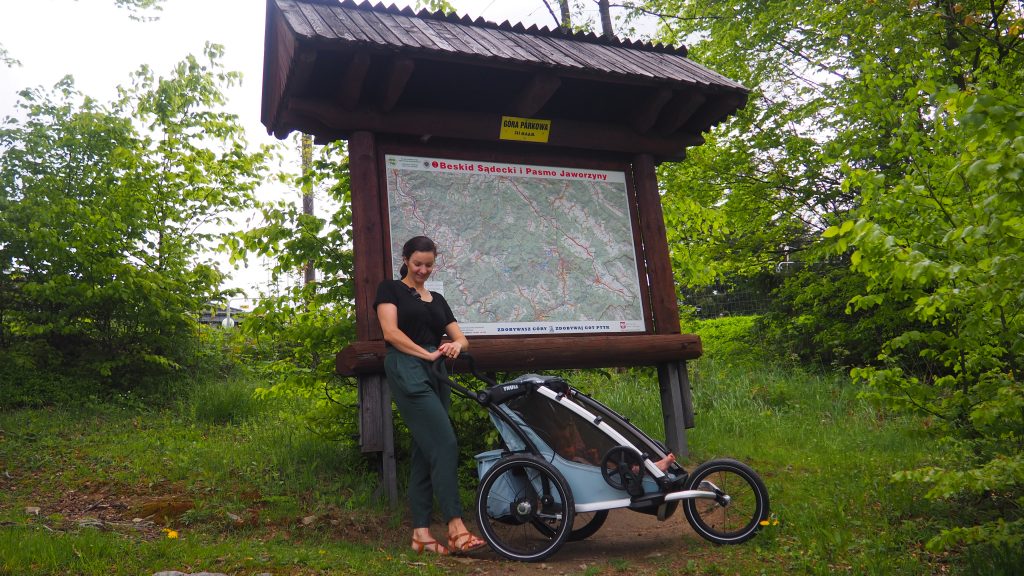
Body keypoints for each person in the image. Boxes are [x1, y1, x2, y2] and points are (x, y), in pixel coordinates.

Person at [373, 236, 485, 556]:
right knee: (446, 442)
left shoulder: (437, 299)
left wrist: (453, 346)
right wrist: (427, 353)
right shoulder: (390, 289)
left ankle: (421, 534)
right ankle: (455, 526)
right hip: (407, 367)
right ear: (406, 259)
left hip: (436, 372)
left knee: (427, 449)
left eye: (429, 265)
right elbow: (391, 333)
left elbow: (462, 339)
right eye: (417, 263)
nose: (423, 270)